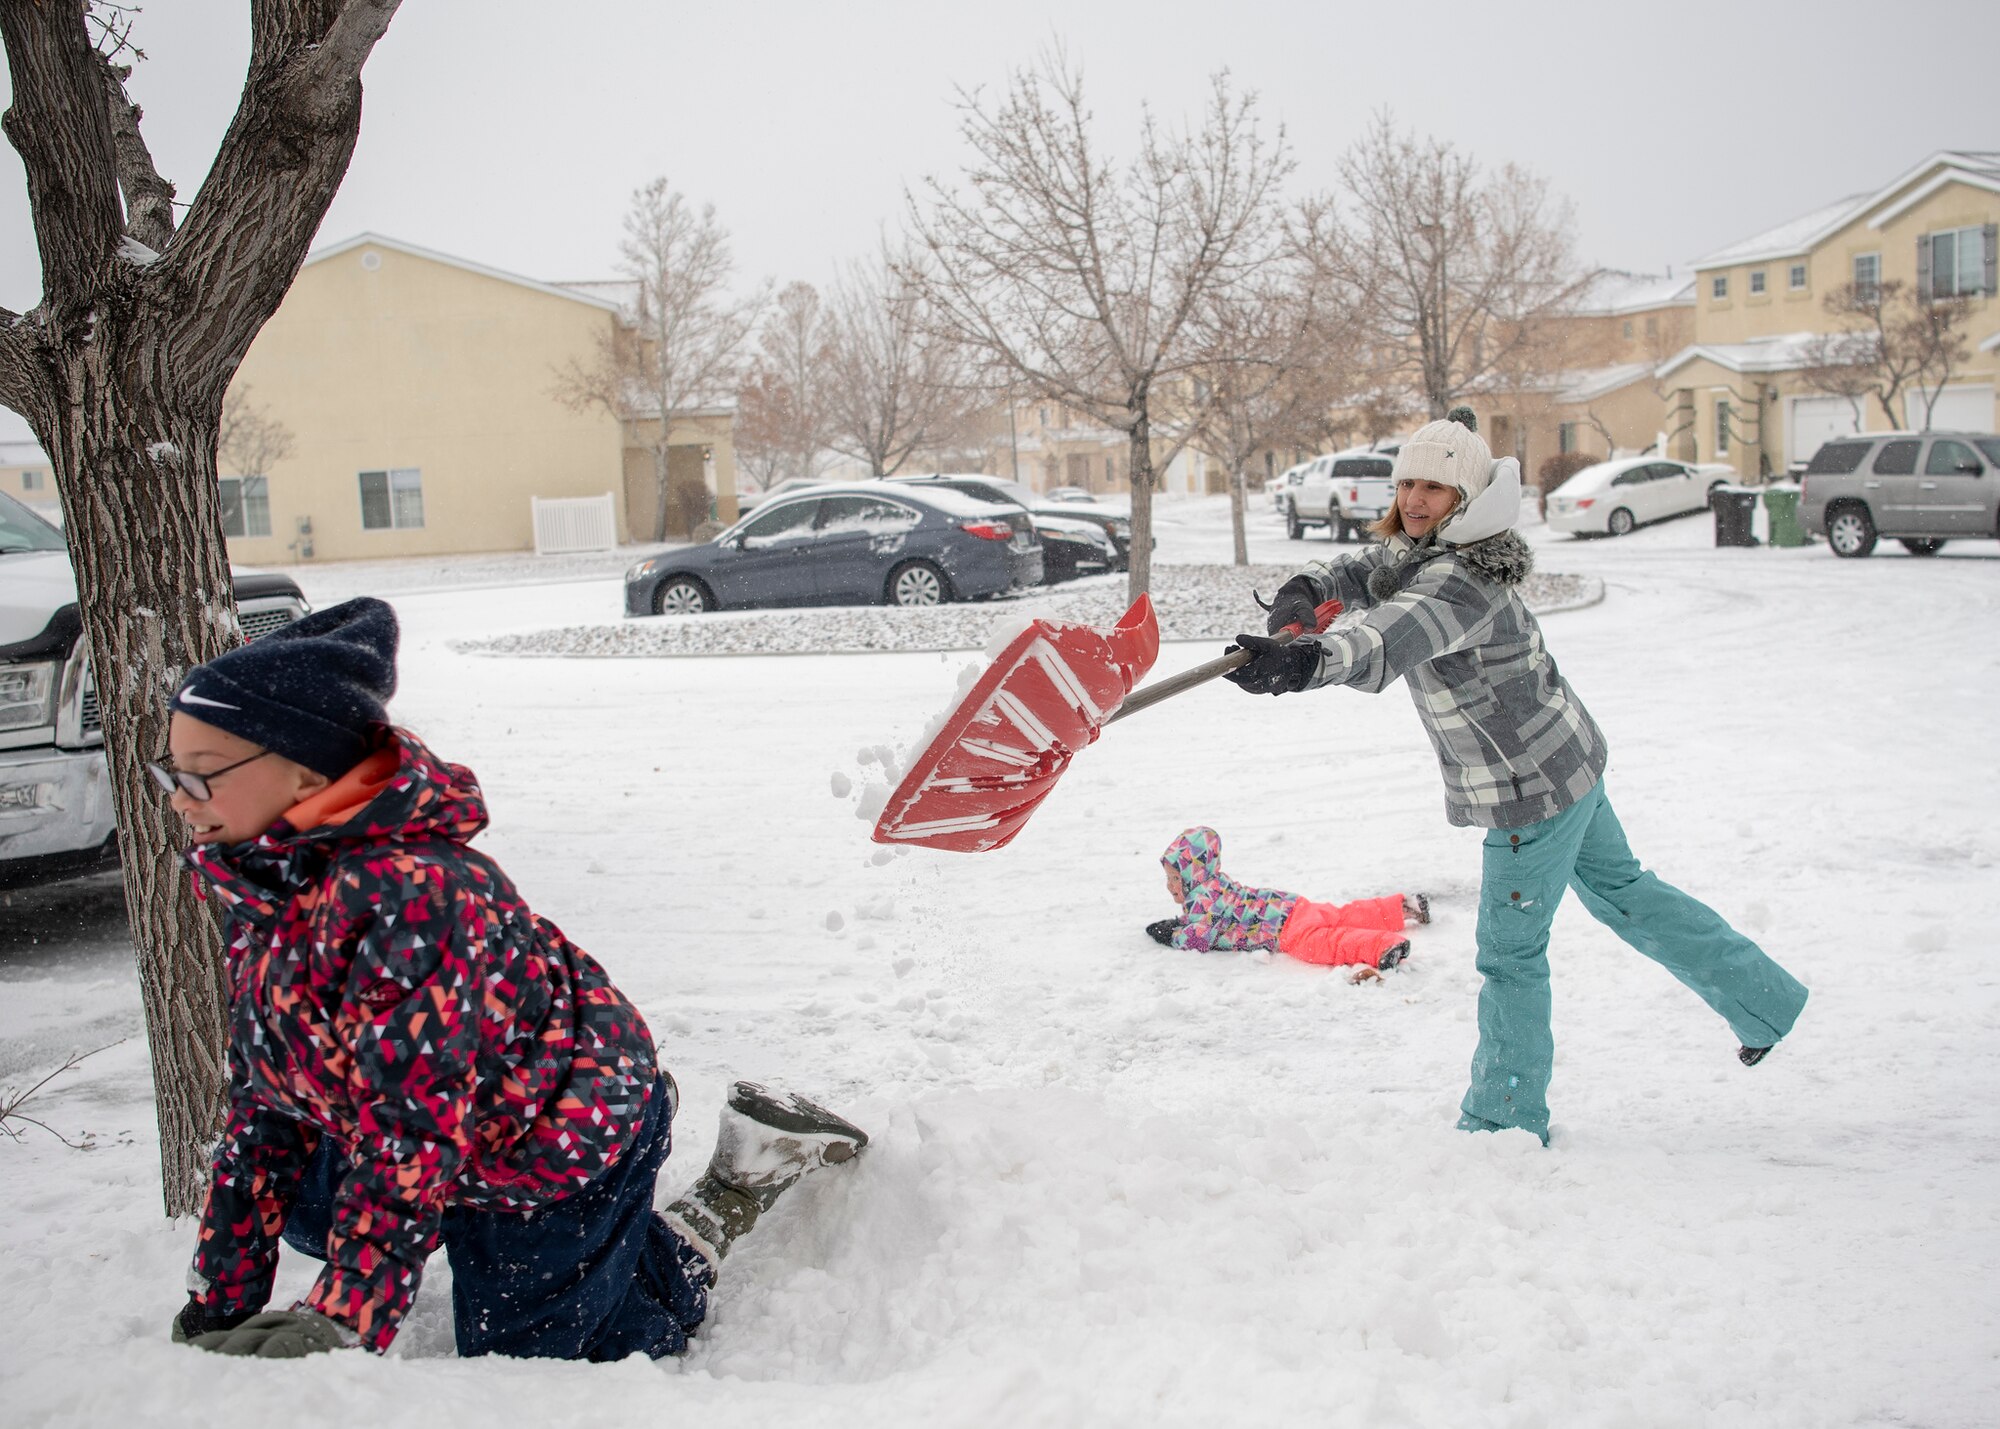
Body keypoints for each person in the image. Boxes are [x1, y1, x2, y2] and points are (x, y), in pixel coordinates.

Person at [155, 597, 867, 1361]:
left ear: (302, 774)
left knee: (537, 1361)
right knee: (309, 1204)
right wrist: (221, 1297)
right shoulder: (266, 888)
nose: (176, 797)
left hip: (554, 1126)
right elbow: (265, 1106)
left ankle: (731, 1189)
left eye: (201, 776)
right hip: (452, 1129)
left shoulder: (418, 898)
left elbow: (412, 1128)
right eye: (173, 771)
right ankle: (474, 1232)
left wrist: (345, 1317)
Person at [1223, 408, 1807, 1143]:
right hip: (1569, 759)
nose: (1414, 500)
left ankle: (1503, 1118)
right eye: (1407, 482)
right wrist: (1307, 590)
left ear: (1465, 495)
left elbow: (1381, 642)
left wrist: (1301, 661)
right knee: (1630, 894)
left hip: (1528, 791)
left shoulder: (1460, 582)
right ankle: (1765, 1002)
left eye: (1434, 486)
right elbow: (1367, 576)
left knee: (1510, 956)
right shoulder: (1434, 548)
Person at [1147, 825, 1427, 972]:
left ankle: (1383, 947)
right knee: (1343, 914)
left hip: (1285, 932)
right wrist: (1183, 921)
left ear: (1193, 874)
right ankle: (1402, 908)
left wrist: (1171, 935)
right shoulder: (1217, 882)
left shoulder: (1202, 902)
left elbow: (1200, 937)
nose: (1170, 886)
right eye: (1169, 878)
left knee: (1330, 944)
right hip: (1290, 905)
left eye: (1175, 878)